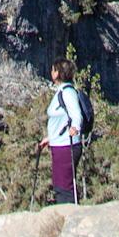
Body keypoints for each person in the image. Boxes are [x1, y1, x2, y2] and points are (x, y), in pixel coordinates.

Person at [44, 59, 91, 204]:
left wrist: (75, 128)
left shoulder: (67, 92)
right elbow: (62, 119)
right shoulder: (62, 91)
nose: (51, 72)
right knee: (61, 185)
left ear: (58, 73)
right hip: (60, 145)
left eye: (53, 69)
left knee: (64, 187)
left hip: (66, 146)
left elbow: (76, 114)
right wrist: (50, 138)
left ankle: (69, 214)